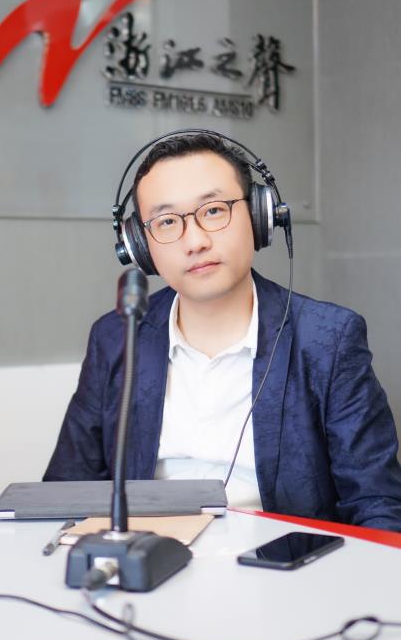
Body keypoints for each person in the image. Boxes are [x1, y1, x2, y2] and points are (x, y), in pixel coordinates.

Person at [43, 131, 401, 530]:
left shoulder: (328, 339)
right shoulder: (116, 336)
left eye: (213, 211)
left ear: (261, 217)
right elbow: (64, 491)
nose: (195, 241)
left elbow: (376, 504)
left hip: (278, 559)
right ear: (139, 246)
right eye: (166, 221)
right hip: (147, 556)